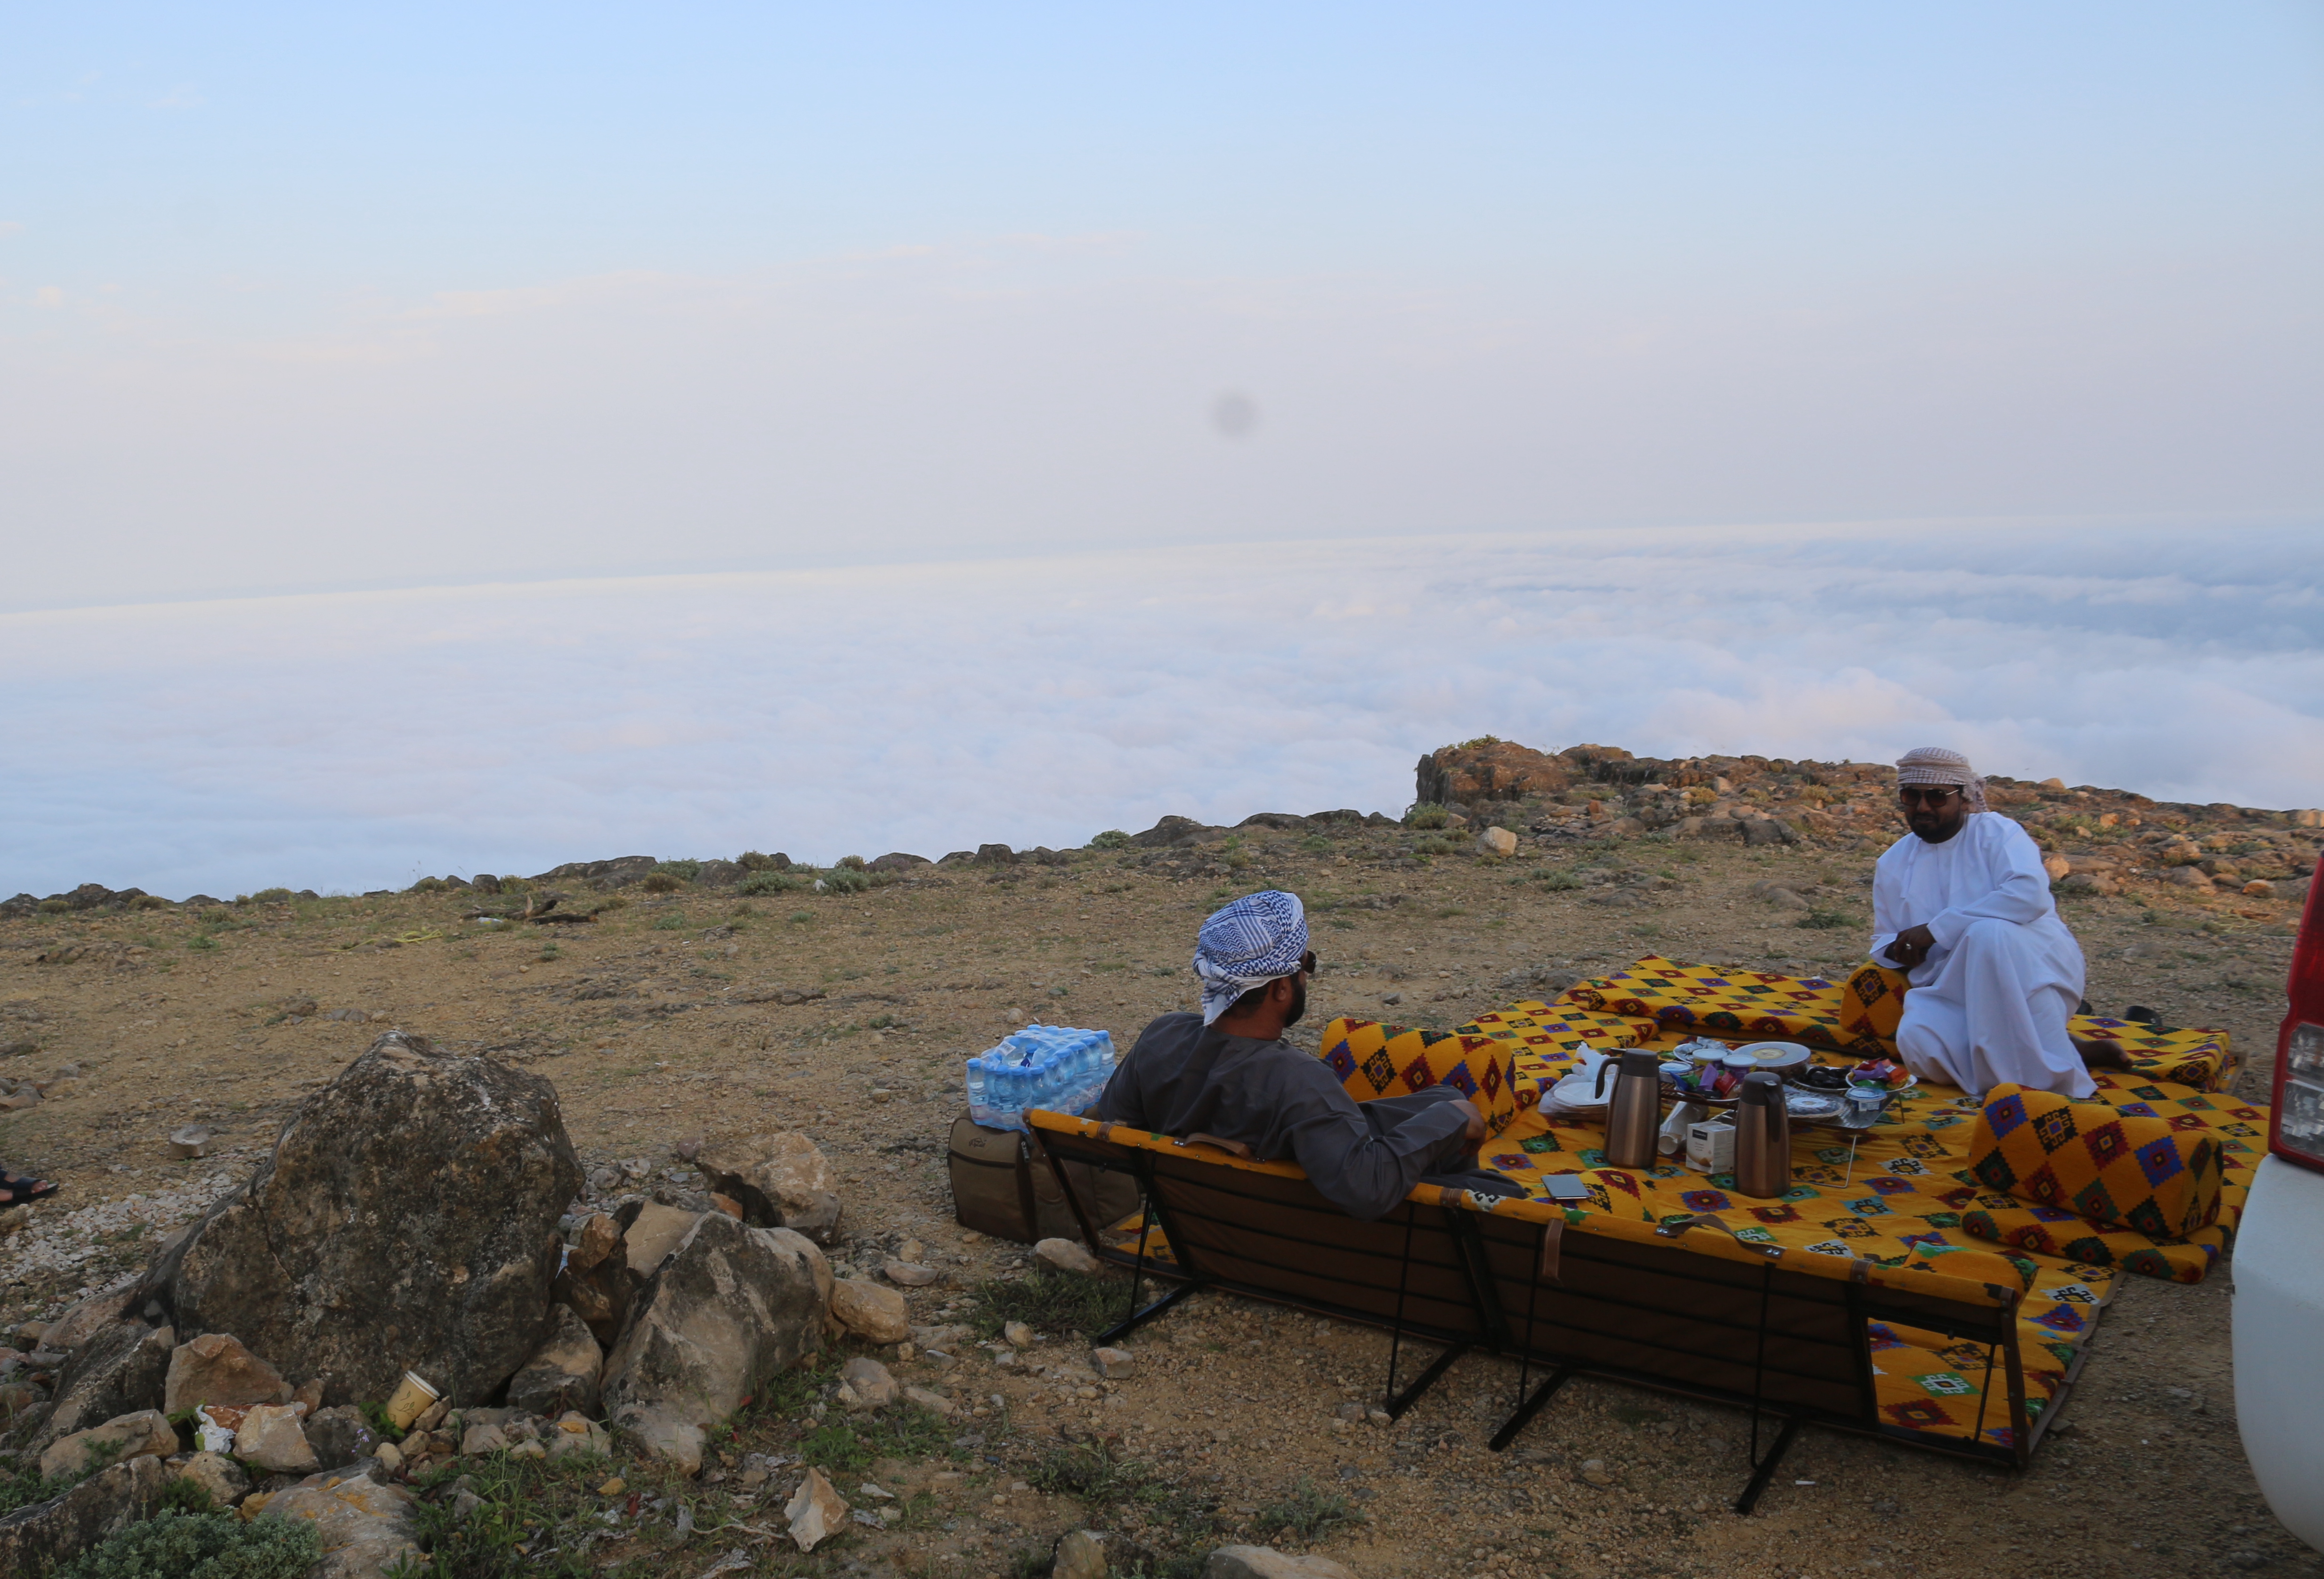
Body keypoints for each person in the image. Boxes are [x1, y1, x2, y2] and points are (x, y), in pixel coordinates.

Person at [1094, 889, 1523, 1220]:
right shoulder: (1298, 1080)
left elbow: (1113, 1121)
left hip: (1204, 1207)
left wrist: (1443, 1111)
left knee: (1441, 1099)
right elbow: (1365, 1188)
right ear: (1281, 988)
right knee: (1497, 1184)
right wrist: (1452, 1120)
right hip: (1287, 1219)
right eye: (1306, 964)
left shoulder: (1162, 1034)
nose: (1307, 977)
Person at [1871, 746, 2095, 1099]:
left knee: (1986, 934)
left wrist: (1937, 930)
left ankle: (2040, 1084)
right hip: (1949, 985)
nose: (1923, 807)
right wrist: (1898, 950)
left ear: (1964, 798)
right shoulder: (1892, 862)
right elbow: (1883, 937)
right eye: (1911, 796)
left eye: (1936, 796)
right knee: (1918, 1047)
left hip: (2031, 968)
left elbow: (2029, 895)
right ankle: (2054, 1051)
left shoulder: (1998, 833)